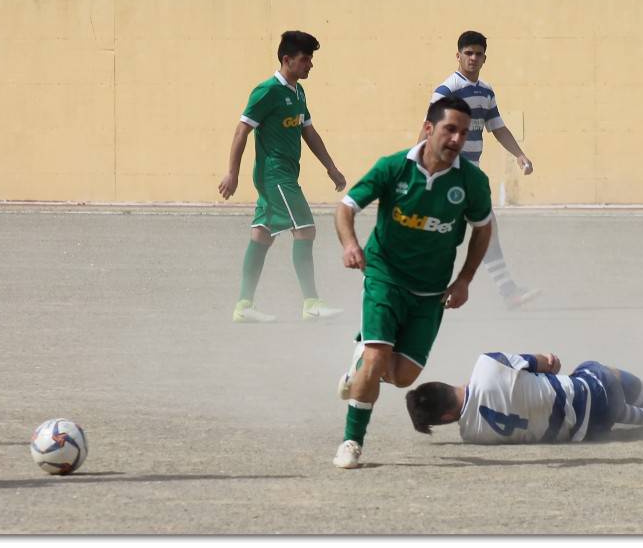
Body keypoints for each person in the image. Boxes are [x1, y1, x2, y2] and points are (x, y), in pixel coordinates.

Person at [332, 96, 493, 469]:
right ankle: (352, 442)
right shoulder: (393, 168)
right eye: (450, 129)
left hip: (431, 291)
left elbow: (483, 230)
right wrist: (351, 244)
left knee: (402, 377)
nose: (456, 139)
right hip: (384, 276)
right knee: (376, 358)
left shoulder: (471, 181)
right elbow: (345, 208)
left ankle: (359, 372)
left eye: (464, 133)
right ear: (428, 129)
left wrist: (465, 279)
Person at [218, 30, 347, 323]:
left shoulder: (298, 91)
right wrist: (232, 173)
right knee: (305, 228)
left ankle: (243, 305)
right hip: (274, 174)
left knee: (261, 235)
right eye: (305, 59)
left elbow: (308, 131)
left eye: (311, 59)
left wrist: (330, 167)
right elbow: (242, 130)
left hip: (284, 173)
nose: (310, 65)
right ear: (286, 59)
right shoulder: (267, 91)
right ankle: (311, 302)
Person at [421, 30, 538, 309]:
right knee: (443, 233)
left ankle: (508, 292)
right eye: (468, 53)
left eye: (478, 54)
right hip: (447, 174)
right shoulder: (447, 90)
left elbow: (497, 127)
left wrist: (520, 155)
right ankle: (425, 293)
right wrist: (418, 167)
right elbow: (428, 130)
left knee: (485, 229)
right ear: (458, 55)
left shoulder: (485, 91)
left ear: (485, 58)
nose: (473, 58)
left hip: (469, 174)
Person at [406, 352, 643, 444]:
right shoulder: (487, 365)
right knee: (602, 373)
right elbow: (545, 361)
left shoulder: (472, 435)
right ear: (442, 385)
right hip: (591, 396)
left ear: (446, 418)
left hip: (585, 433)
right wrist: (547, 362)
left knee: (603, 407)